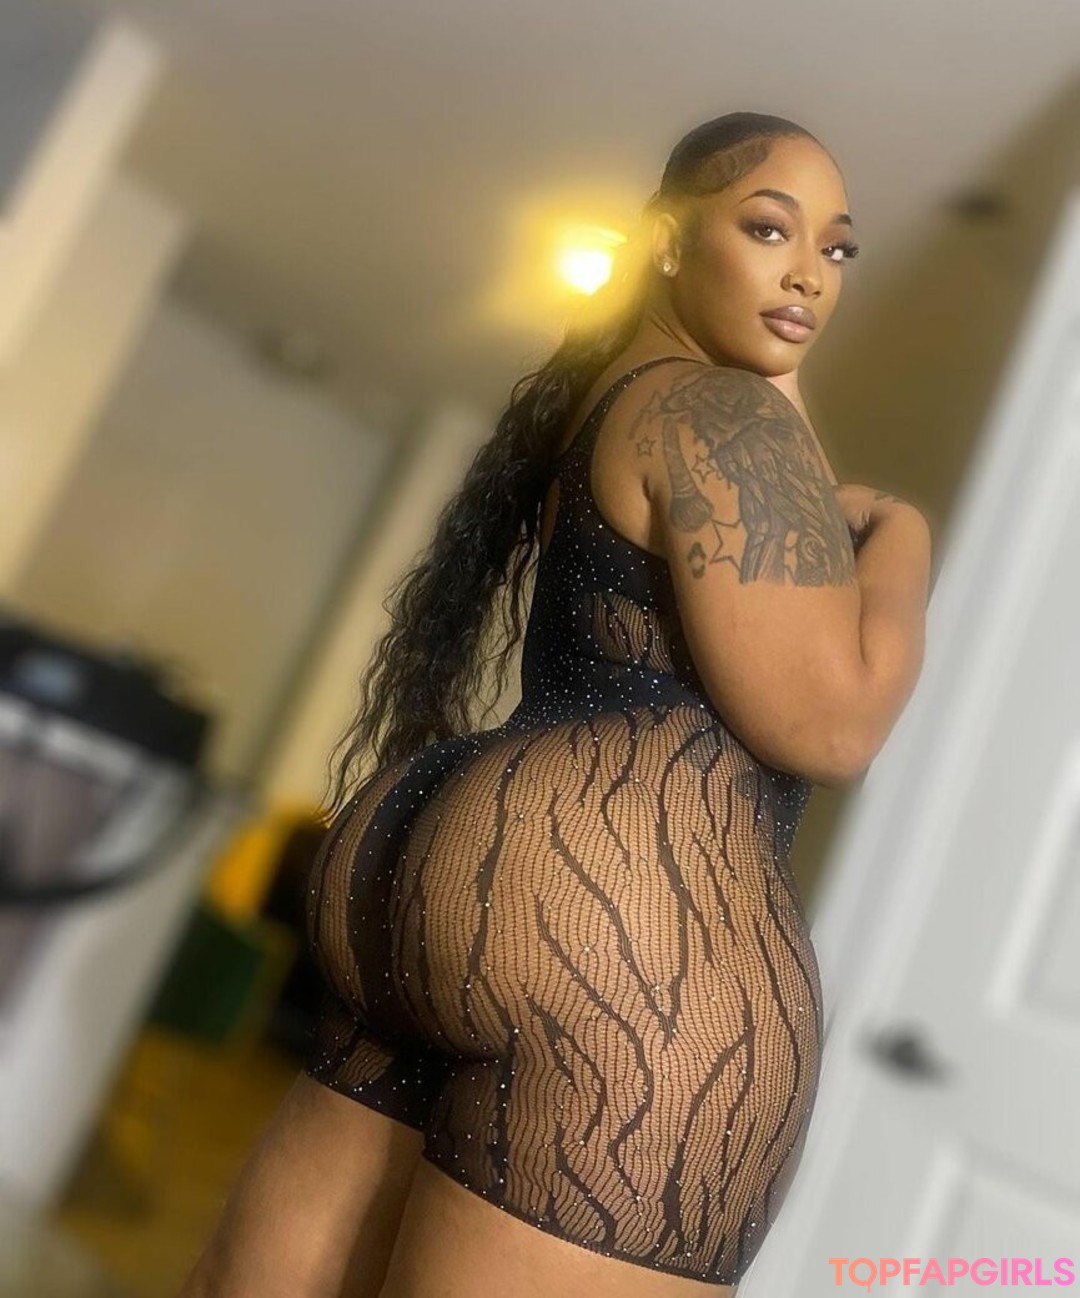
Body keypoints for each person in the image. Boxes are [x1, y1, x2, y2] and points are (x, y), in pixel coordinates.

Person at [179, 111, 931, 1297]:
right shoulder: (717, 415)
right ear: (670, 239)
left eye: (835, 249)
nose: (807, 273)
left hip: (447, 894)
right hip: (624, 956)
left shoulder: (627, 398)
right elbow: (831, 724)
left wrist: (783, 382)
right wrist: (907, 542)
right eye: (768, 228)